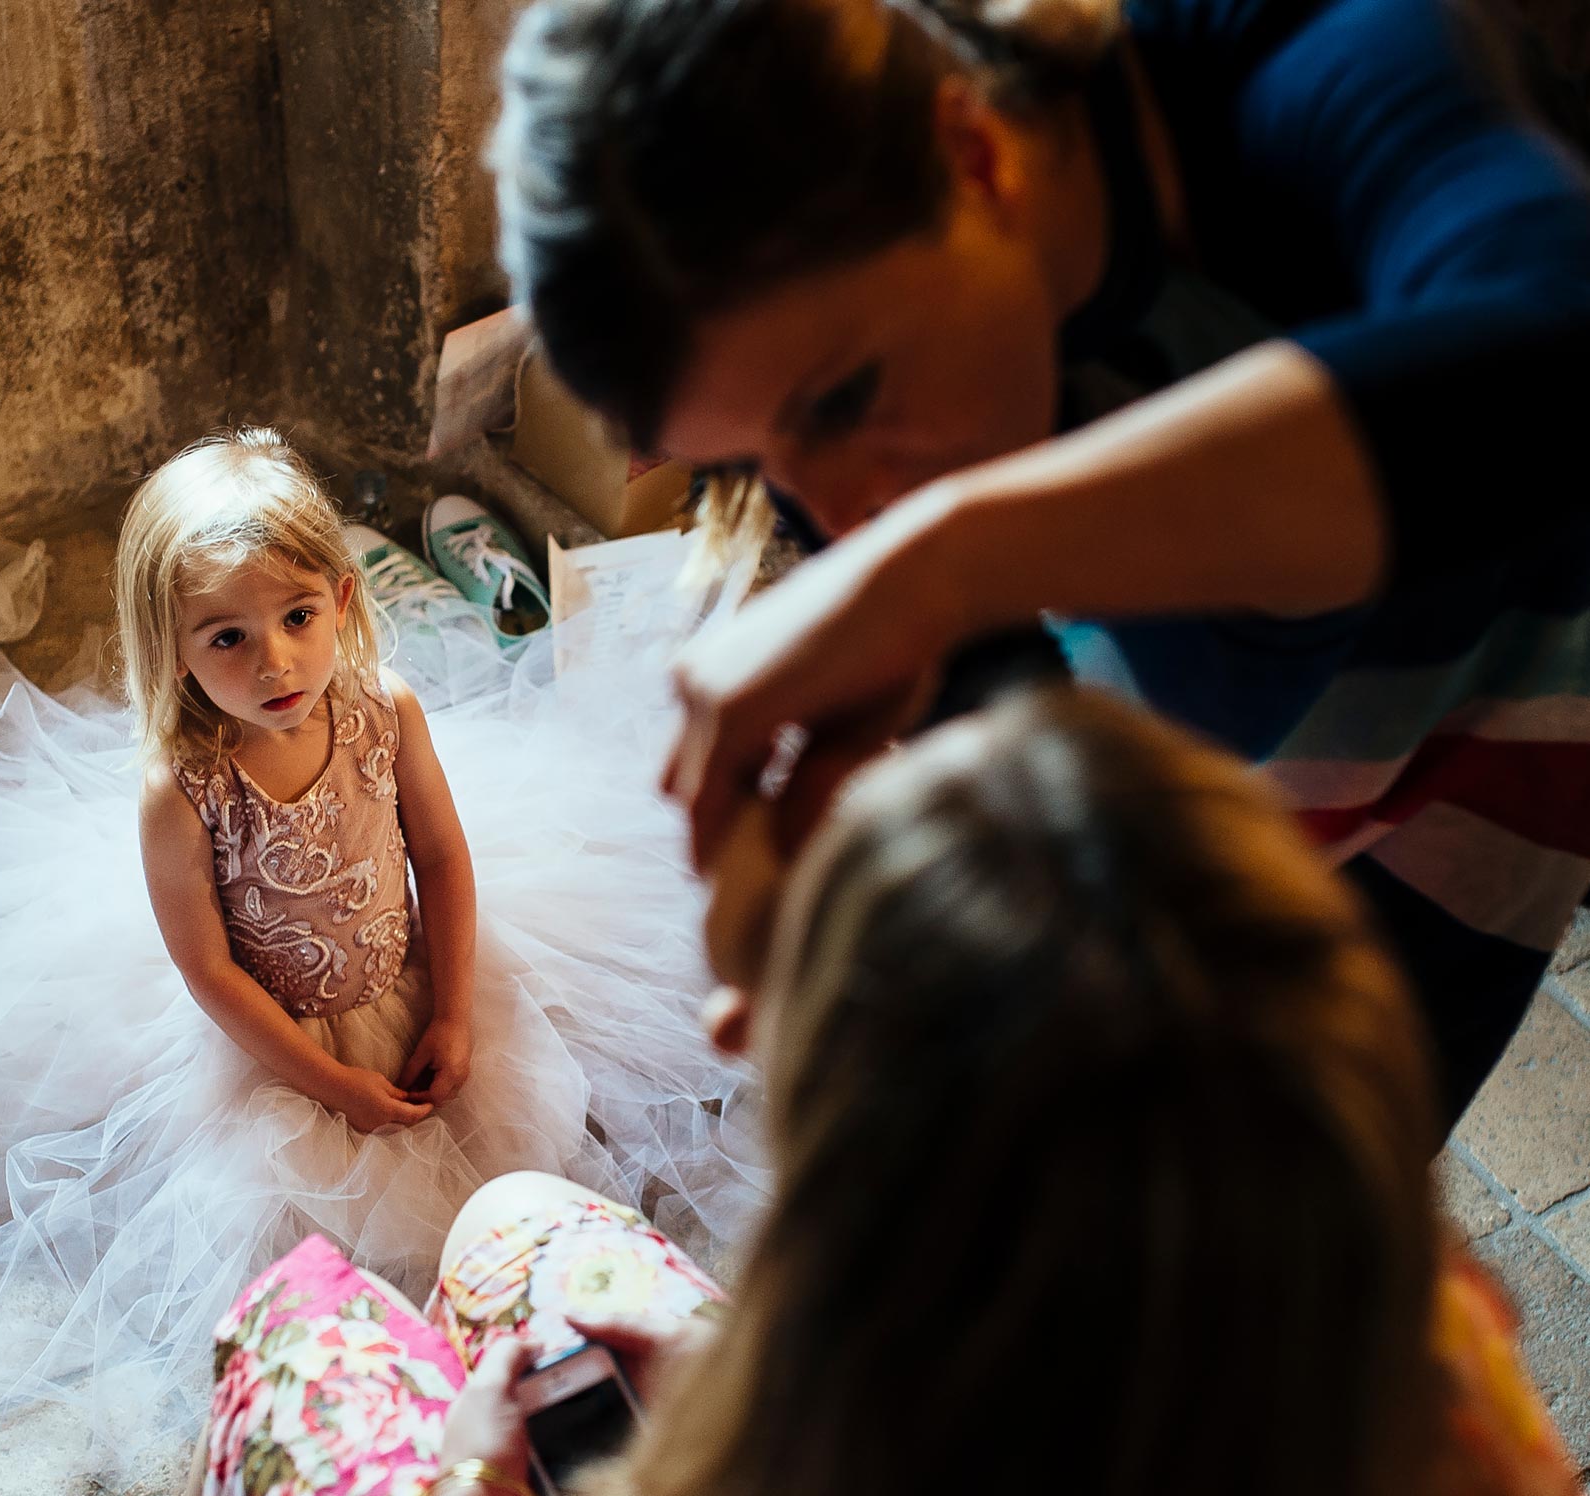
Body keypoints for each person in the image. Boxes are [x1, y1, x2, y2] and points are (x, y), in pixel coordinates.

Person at [189, 686, 1590, 1496]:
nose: (730, 1022)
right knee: (516, 1219)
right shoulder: (1446, 1398)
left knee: (299, 1341)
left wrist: (472, 1495)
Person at [489, 0, 1590, 1133]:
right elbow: (1003, 683)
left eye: (843, 399)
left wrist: (947, 565)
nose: (836, 513)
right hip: (1197, 769)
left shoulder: (1324, 50)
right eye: (755, 458)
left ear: (971, 153)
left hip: (1451, 765)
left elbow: (1552, 358)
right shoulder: (857, 412)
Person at [0, 429, 752, 1459]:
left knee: (519, 1142)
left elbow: (441, 854)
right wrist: (330, 1081)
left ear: (342, 599)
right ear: (173, 648)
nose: (276, 661)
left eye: (297, 615)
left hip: (410, 970)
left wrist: (457, 1009)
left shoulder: (385, 710)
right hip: (277, 1032)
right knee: (314, 1235)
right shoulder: (183, 790)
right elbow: (207, 970)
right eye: (226, 637)